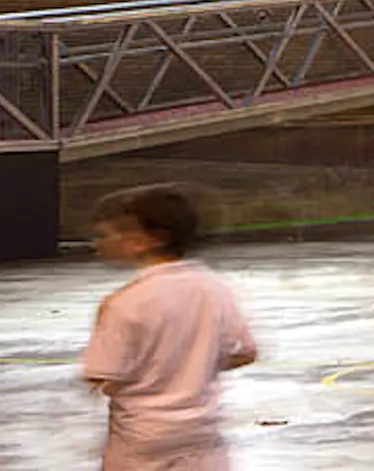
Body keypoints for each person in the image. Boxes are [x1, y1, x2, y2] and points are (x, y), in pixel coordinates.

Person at [81, 184, 256, 471]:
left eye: (108, 234)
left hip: (142, 439)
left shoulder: (124, 302)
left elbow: (102, 375)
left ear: (147, 240)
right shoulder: (214, 288)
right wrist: (194, 366)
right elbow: (245, 352)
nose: (98, 243)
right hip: (202, 433)